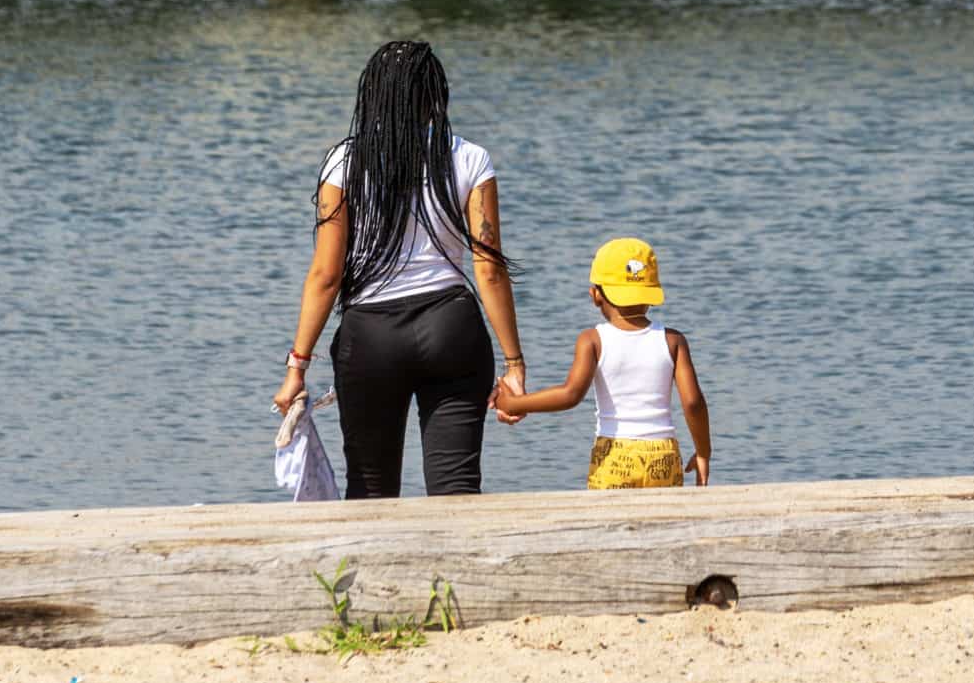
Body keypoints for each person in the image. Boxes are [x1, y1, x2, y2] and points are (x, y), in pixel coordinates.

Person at [272, 39, 526, 498]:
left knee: (370, 490)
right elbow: (488, 268)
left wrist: (297, 366)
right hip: (452, 328)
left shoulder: (343, 162)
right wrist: (514, 363)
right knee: (457, 490)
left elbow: (325, 275)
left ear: (372, 95)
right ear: (435, 96)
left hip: (370, 337)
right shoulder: (471, 158)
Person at [494, 235, 710, 490]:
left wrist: (513, 402)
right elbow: (693, 402)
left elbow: (570, 394)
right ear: (651, 293)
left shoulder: (592, 340)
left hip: (614, 455)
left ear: (595, 295)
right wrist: (703, 451)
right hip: (663, 455)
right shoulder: (673, 340)